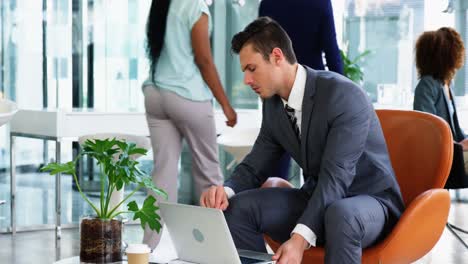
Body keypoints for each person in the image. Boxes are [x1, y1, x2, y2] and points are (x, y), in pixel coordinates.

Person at [200, 17, 404, 264]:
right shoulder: (273, 106)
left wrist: (299, 239)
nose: (246, 80)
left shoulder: (343, 95)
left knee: (341, 214)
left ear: (277, 56)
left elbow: (336, 177)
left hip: (369, 202)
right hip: (318, 197)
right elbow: (256, 164)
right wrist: (225, 190)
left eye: (251, 69)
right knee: (238, 208)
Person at [142, 0, 237, 249]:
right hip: (187, 95)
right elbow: (204, 60)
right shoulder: (195, 6)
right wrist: (225, 105)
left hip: (155, 93)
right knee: (210, 177)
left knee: (162, 176)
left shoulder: (163, 4)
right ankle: (217, 250)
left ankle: (148, 248)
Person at [259, 0, 344, 180]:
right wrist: (343, 90)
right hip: (313, 90)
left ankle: (275, 205)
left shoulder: (268, 3)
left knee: (277, 161)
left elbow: (261, 52)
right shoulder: (320, 3)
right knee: (316, 164)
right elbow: (331, 50)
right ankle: (314, 206)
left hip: (277, 88)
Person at [413, 27, 468, 174]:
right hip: (440, 155)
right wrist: (459, 146)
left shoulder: (446, 84)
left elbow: (456, 131)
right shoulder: (427, 85)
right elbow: (428, 131)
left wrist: (464, 141)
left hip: (453, 151)